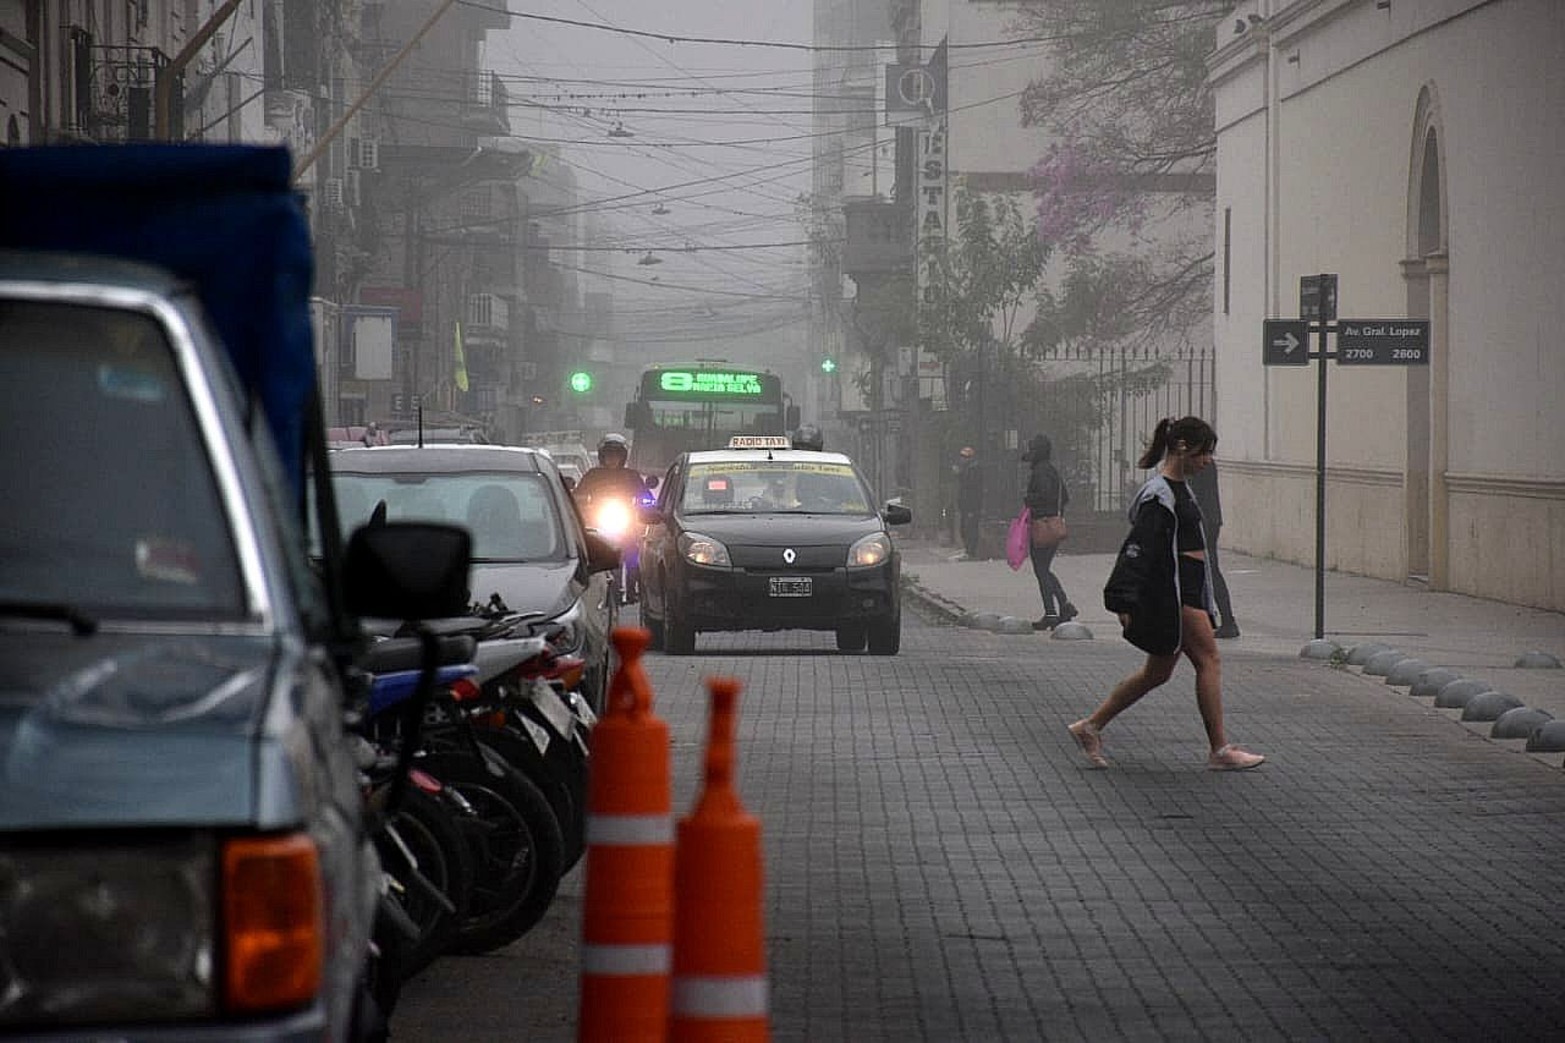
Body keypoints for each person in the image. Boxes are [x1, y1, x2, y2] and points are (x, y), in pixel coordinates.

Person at [1068, 416, 1265, 772]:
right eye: (1205, 453)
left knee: (1157, 673)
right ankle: (1220, 749)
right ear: (1183, 447)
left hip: (1188, 587)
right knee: (1209, 660)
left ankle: (1090, 725)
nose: (1207, 461)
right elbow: (1138, 549)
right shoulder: (1159, 495)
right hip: (1177, 592)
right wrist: (1124, 598)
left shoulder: (1180, 488)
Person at [1021, 433, 1075, 630]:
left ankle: (1053, 612)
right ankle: (1063, 606)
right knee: (1044, 569)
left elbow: (1043, 495)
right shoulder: (1051, 470)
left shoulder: (1041, 472)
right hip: (1053, 525)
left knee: (1041, 570)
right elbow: (1065, 498)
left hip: (1042, 526)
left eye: (1032, 449)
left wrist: (1030, 500)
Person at [1188, 459, 1239, 638]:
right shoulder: (1205, 460)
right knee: (1207, 570)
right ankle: (1221, 620)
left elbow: (1196, 495)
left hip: (1205, 521)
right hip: (1210, 519)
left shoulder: (1200, 462)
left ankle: (1227, 620)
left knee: (1209, 570)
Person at [573, 432, 652, 506]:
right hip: (592, 517)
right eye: (609, 454)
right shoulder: (592, 475)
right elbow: (576, 497)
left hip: (629, 517)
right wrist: (583, 500)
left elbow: (648, 499)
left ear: (623, 457)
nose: (613, 458)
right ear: (602, 456)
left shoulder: (632, 476)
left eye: (617, 454)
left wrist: (647, 507)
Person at [955, 446, 983, 559]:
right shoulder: (966, 469)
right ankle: (968, 550)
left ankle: (971, 551)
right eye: (962, 457)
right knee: (964, 528)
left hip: (972, 505)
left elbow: (971, 487)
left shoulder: (974, 469)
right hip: (965, 504)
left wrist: (959, 474)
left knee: (970, 528)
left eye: (965, 457)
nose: (963, 459)